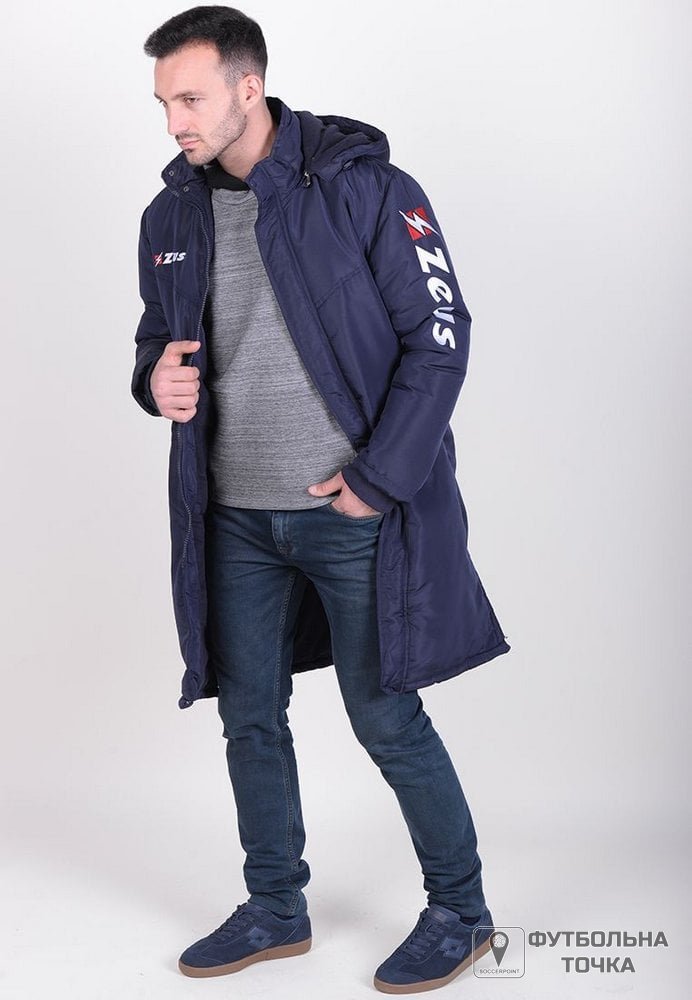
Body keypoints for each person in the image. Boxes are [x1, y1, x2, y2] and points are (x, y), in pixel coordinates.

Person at [131, 5, 510, 993]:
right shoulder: (170, 216)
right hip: (232, 519)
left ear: (247, 87)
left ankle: (461, 912)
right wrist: (152, 379)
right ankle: (275, 905)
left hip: (352, 514)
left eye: (190, 97)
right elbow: (155, 339)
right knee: (249, 718)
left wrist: (377, 481)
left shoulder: (366, 188)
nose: (174, 120)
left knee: (386, 719)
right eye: (163, 101)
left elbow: (440, 338)